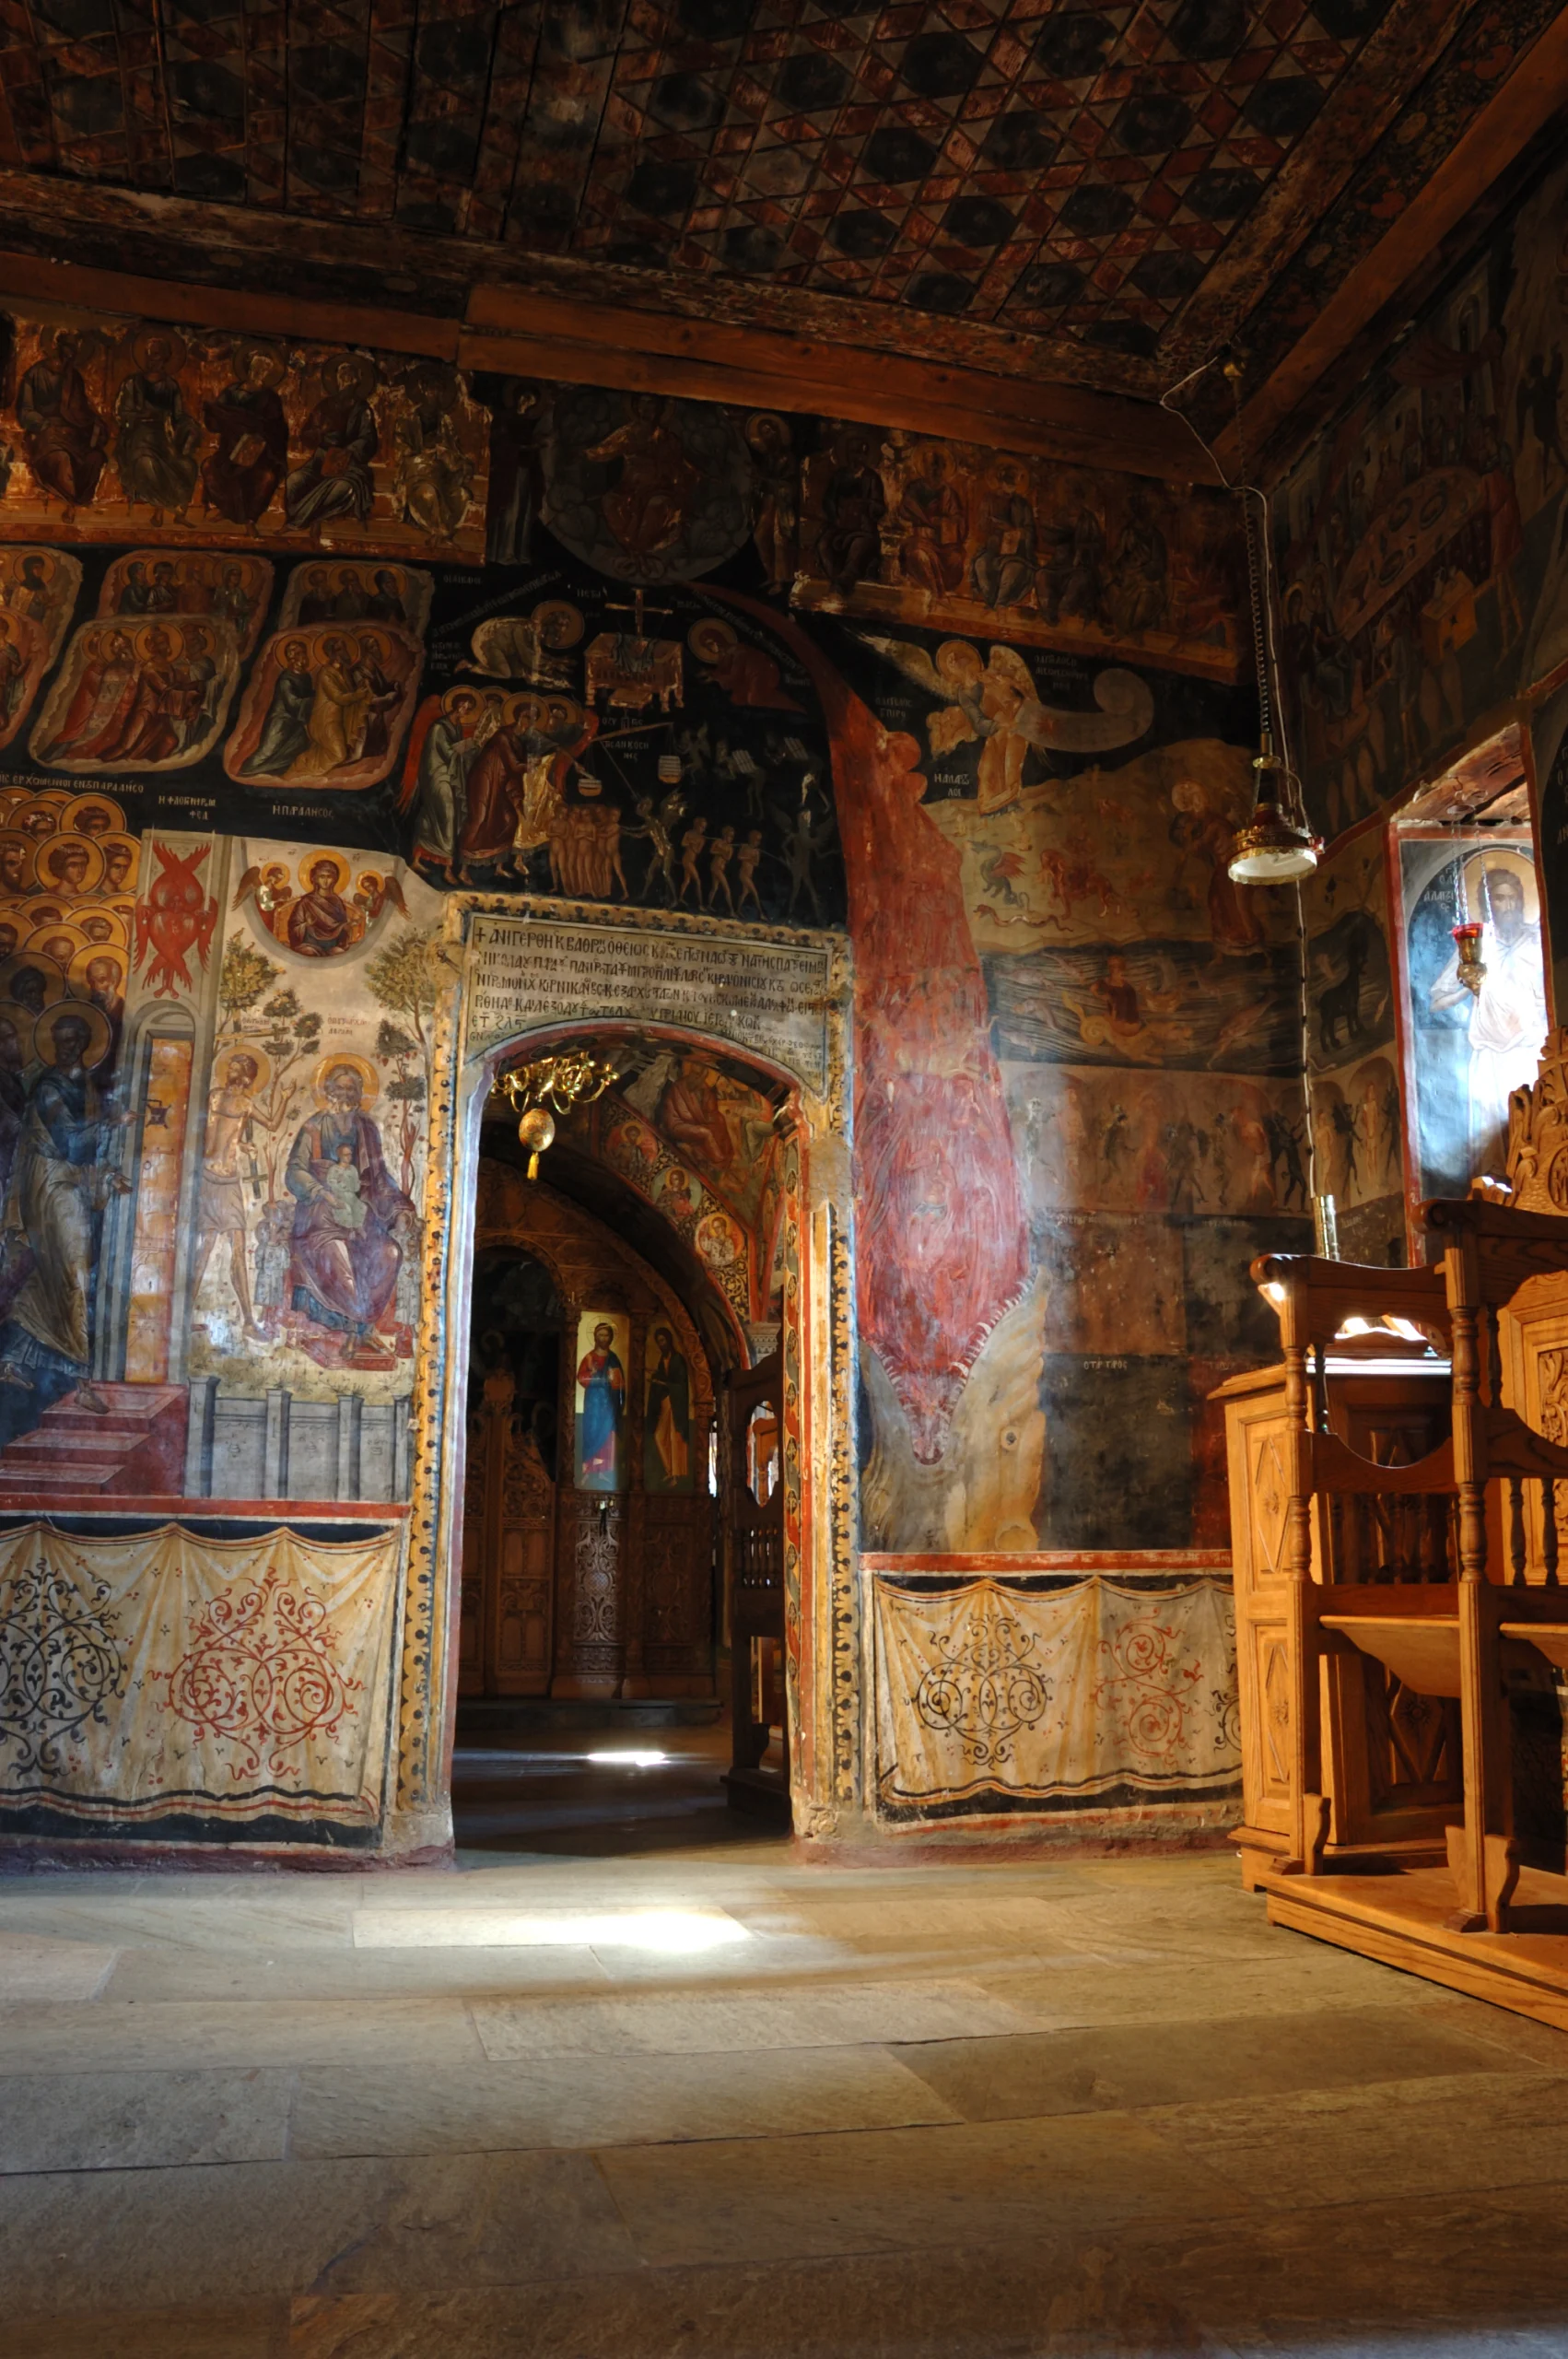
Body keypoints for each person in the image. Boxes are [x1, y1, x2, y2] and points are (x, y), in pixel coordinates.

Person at [0, 1009, 131, 1435]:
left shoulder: (84, 1084)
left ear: (86, 1042)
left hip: (70, 1183)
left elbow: (87, 1152)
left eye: (74, 1040)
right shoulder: (49, 1087)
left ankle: (11, 1358)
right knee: (76, 1276)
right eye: (60, 1041)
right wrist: (112, 1122)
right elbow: (69, 1142)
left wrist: (108, 1174)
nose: (67, 1048)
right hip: (52, 1186)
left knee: (53, 1276)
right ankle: (82, 1382)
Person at [284, 1063, 413, 1346]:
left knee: (390, 1253)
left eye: (351, 1088)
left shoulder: (366, 1127)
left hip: (360, 1213)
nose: (345, 1093)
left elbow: (378, 1175)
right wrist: (320, 1191)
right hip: (321, 1214)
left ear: (359, 1093)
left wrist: (399, 1209)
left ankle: (363, 1325)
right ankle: (356, 1327)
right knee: (337, 1255)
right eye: (339, 1088)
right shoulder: (315, 1126)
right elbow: (294, 1171)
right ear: (329, 1091)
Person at [1430, 867, 1549, 1173]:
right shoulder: (1476, 947)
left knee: (1540, 1130)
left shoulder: (1537, 940)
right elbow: (1436, 1001)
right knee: (1497, 1149)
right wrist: (1468, 985)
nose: (1507, 906)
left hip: (1532, 1049)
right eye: (1499, 898)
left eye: (1512, 898)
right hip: (1491, 1057)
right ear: (1487, 904)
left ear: (1521, 900)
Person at [190, 1050, 263, 1340]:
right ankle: (184, 1315)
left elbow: (265, 1124)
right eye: (230, 1067)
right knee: (205, 1247)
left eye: (235, 1068)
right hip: (210, 1179)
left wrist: (241, 1146)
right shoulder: (215, 1096)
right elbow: (207, 1132)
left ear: (246, 1077)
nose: (229, 1072)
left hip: (229, 1180)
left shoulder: (242, 1102)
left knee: (238, 1249)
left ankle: (249, 1321)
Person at [15, 330, 106, 515]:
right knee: (61, 459)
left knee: (95, 458)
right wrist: (45, 425)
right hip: (45, 433)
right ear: (56, 346)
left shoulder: (74, 377)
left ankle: (79, 501)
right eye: (68, 347)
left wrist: (95, 422)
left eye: (75, 350)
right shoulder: (36, 374)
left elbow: (80, 411)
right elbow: (25, 411)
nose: (71, 354)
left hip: (72, 435)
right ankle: (71, 503)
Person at [202, 344, 290, 531]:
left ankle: (251, 519)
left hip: (259, 452)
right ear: (249, 367)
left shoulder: (270, 398)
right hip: (229, 448)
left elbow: (277, 428)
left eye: (264, 369)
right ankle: (227, 510)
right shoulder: (231, 392)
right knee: (210, 467)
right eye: (256, 367)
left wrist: (258, 435)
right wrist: (213, 414)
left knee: (266, 478)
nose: (259, 372)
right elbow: (219, 416)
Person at [112, 335, 200, 522]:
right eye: (150, 354)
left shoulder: (171, 386)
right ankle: (164, 508)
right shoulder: (133, 383)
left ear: (165, 358)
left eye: (157, 355)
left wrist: (190, 427)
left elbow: (178, 416)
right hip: (139, 437)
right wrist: (144, 415)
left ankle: (167, 509)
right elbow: (122, 413)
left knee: (187, 466)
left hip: (165, 438)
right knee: (148, 463)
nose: (153, 359)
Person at [412, 690, 480, 880]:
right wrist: (469, 747)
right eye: (463, 706)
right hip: (437, 775)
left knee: (434, 816)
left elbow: (456, 753)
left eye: (469, 708)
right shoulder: (439, 727)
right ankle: (447, 869)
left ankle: (417, 859)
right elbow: (449, 753)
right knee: (448, 815)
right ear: (456, 705)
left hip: (449, 775)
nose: (465, 710)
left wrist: (470, 748)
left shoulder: (456, 726)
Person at [240, 640, 315, 777]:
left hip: (296, 720)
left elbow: (307, 695)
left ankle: (275, 769)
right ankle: (246, 770)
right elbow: (292, 703)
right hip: (281, 721)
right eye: (300, 653)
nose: (304, 656)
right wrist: (314, 700)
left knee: (300, 745)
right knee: (267, 751)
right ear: (292, 657)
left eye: (304, 652)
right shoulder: (286, 680)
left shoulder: (306, 677)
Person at [576, 1319, 626, 1485]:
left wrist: (613, 1380)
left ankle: (603, 1471)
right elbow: (581, 1378)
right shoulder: (590, 1358)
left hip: (609, 1403)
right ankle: (587, 1469)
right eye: (600, 1335)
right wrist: (597, 1376)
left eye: (606, 1335)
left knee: (607, 1437)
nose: (603, 1338)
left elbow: (620, 1383)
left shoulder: (613, 1359)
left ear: (611, 1338)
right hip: (593, 1402)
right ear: (595, 1337)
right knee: (591, 1432)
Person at [644, 1325, 691, 1490]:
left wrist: (660, 1382)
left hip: (675, 1404)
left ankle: (675, 1475)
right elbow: (663, 1376)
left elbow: (680, 1384)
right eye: (658, 1342)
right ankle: (669, 1470)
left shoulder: (677, 1359)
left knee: (673, 1438)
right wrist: (654, 1376)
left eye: (663, 1340)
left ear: (669, 1340)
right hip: (666, 1402)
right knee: (659, 1436)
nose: (661, 1344)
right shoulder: (663, 1359)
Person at [285, 858, 355, 957]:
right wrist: (306, 925)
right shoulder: (306, 901)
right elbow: (294, 927)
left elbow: (342, 925)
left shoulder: (337, 901)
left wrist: (347, 925)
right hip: (311, 943)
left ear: (334, 879)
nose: (325, 881)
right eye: (322, 877)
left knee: (339, 952)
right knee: (309, 952)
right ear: (315, 879)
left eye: (329, 877)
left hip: (332, 944)